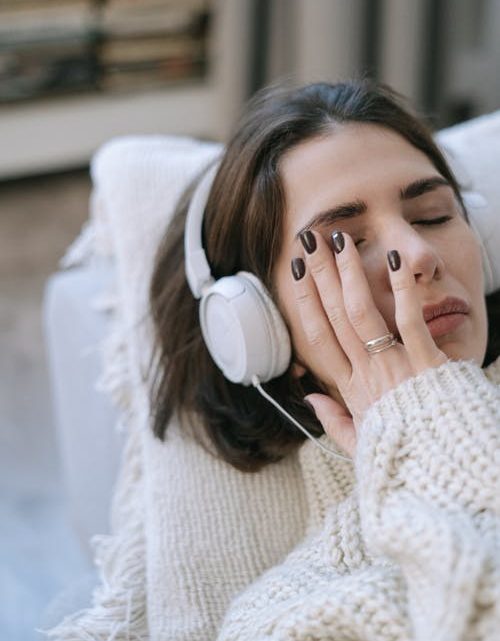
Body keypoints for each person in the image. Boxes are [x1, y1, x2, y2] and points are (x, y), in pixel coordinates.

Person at [149, 79, 500, 640]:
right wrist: (427, 423)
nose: (418, 255)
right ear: (261, 329)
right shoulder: (291, 617)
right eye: (342, 243)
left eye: (433, 215)